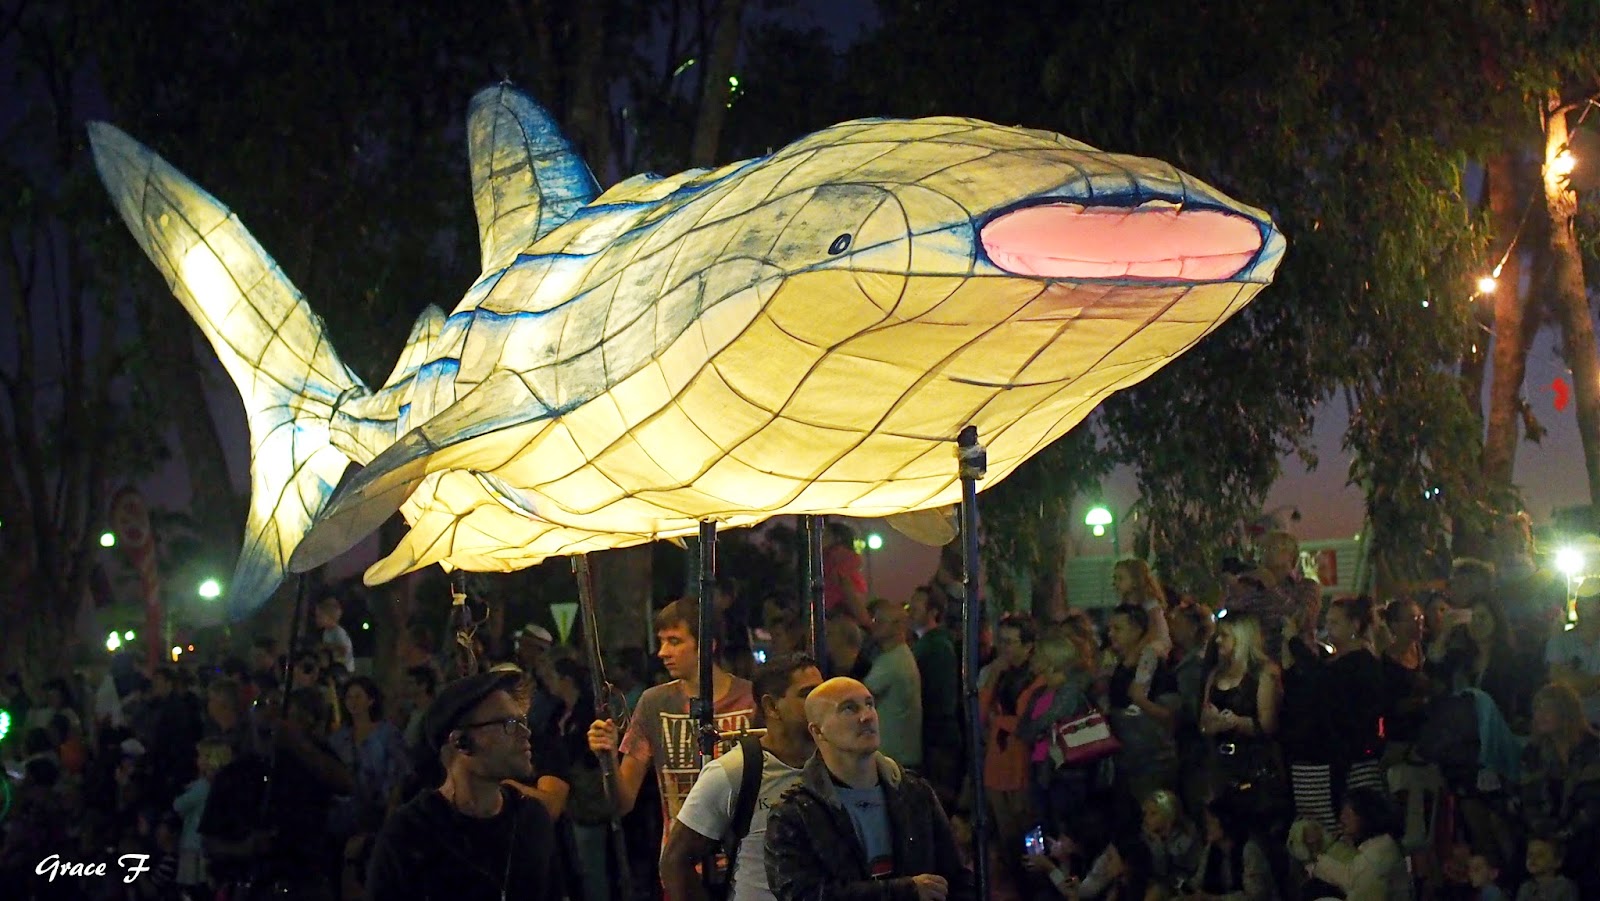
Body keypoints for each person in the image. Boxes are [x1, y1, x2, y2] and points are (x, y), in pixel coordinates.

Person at [763, 677, 975, 901]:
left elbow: (956, 879)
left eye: (869, 704)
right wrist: (905, 891)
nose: (867, 716)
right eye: (849, 709)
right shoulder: (794, 813)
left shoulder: (915, 793)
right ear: (818, 731)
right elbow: (801, 895)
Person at [365, 671, 561, 901]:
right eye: (508, 724)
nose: (525, 733)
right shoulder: (409, 834)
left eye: (522, 722)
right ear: (461, 742)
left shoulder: (532, 819)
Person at [587, 597, 757, 836]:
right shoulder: (654, 703)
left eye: (674, 641)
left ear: (707, 645)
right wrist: (609, 758)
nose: (663, 652)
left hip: (743, 850)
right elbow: (622, 803)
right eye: (662, 641)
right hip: (680, 854)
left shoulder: (751, 699)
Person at [663, 654, 824, 901]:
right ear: (771, 707)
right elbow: (675, 860)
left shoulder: (838, 763)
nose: (820, 703)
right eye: (807, 694)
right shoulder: (734, 771)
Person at [199, 686, 353, 899]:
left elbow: (345, 784)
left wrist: (298, 744)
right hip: (254, 886)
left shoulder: (310, 762)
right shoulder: (234, 774)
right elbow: (209, 842)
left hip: (306, 882)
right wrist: (245, 848)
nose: (269, 716)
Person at [1200, 612, 1284, 824]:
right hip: (1220, 765)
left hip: (1253, 764)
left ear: (1242, 638)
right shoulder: (1216, 674)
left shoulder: (1264, 673)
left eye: (1225, 635)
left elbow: (1268, 725)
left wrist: (1236, 722)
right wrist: (1212, 724)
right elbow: (1203, 721)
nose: (1218, 640)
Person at [1516, 683, 1600, 894]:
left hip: (1585, 831)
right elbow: (1529, 800)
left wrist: (1564, 834)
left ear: (1565, 713)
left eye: (1547, 709)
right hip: (1548, 832)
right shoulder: (1533, 753)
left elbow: (1593, 804)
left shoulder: (1593, 748)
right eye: (1537, 709)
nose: (1540, 715)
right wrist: (1543, 830)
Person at [1105, 604, 1180, 819]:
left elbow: (1170, 715)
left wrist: (1140, 700)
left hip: (1151, 764)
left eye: (1118, 629)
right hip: (1125, 761)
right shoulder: (1121, 668)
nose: (1111, 634)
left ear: (1137, 630)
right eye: (1110, 629)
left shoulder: (1156, 668)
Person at [1302, 787, 1411, 901]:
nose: (1342, 818)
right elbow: (1349, 876)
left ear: (1364, 816)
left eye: (1347, 813)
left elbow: (1352, 882)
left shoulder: (1374, 858)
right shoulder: (1382, 845)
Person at [909, 586, 962, 804]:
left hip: (937, 737)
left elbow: (939, 698)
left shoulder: (936, 647)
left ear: (933, 612)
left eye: (916, 607)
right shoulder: (928, 644)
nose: (910, 611)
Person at [863, 597, 923, 770]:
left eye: (881, 622)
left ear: (898, 626)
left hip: (894, 759)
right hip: (898, 756)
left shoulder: (893, 662)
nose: (874, 625)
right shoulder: (896, 656)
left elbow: (860, 696)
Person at [1190, 795, 1277, 901]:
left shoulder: (1249, 850)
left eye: (1211, 822)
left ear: (1226, 822)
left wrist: (1213, 899)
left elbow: (1254, 897)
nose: (1207, 827)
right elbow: (1198, 880)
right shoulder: (1211, 850)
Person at [1546, 578, 1600, 728]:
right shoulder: (1560, 638)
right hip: (1569, 723)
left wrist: (1573, 677)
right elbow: (1557, 681)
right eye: (1580, 599)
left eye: (1590, 598)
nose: (1581, 603)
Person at [315, 594, 357, 675]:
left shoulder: (338, 632)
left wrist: (326, 646)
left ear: (330, 618)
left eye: (320, 617)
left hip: (344, 670)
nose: (317, 620)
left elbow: (343, 650)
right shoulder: (326, 632)